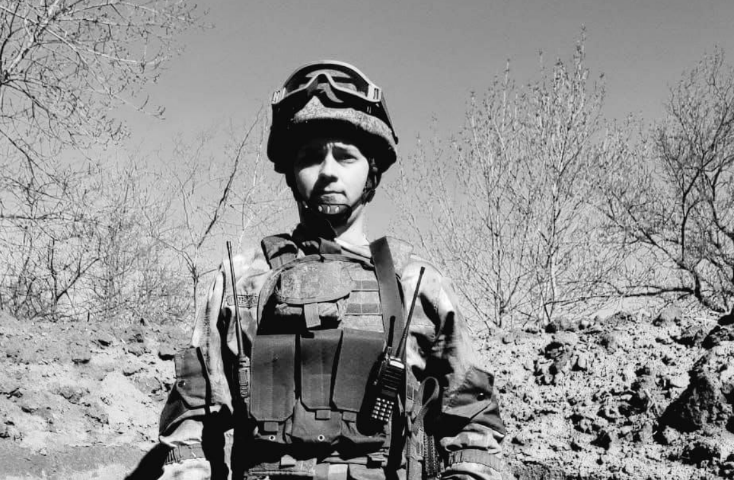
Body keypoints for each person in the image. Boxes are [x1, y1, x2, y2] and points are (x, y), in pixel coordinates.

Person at [154, 60, 507, 480]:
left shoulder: (415, 283)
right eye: (310, 157)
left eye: (345, 156)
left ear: (371, 170)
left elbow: (471, 428)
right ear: (290, 172)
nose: (328, 172)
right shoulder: (243, 280)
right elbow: (194, 422)